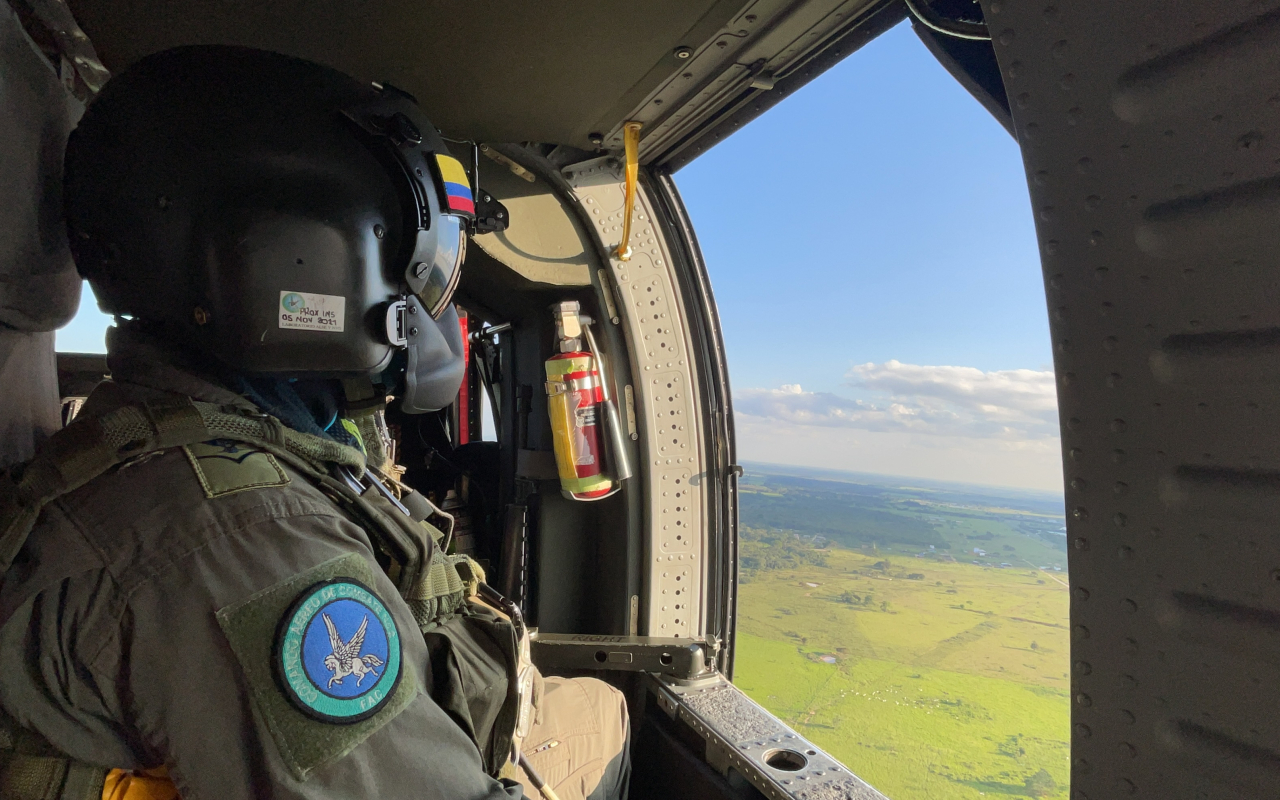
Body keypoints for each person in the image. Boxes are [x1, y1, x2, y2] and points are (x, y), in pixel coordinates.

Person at [0, 46, 628, 800]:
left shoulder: (207, 440)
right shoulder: (239, 539)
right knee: (609, 720)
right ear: (302, 257)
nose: (437, 298)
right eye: (423, 257)